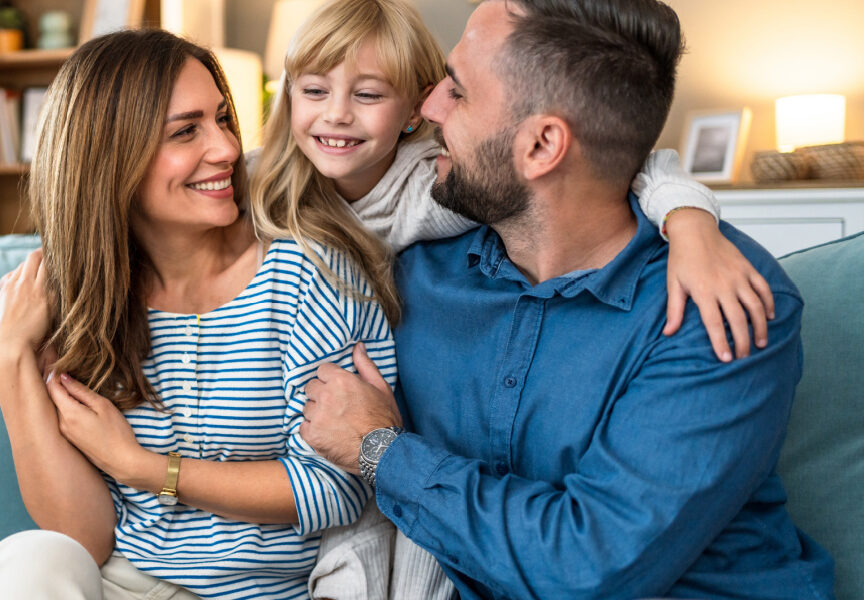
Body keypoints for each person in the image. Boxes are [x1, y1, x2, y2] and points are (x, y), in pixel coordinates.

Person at [301, 0, 836, 598]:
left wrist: (380, 452)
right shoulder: (416, 266)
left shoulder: (717, 304)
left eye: (459, 92)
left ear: (542, 146)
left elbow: (587, 569)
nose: (429, 108)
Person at [0, 29, 395, 600]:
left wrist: (142, 467)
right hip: (123, 581)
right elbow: (82, 537)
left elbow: (336, 490)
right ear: (110, 157)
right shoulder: (81, 297)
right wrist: (7, 359)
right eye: (186, 131)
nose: (226, 149)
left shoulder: (307, 275)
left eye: (222, 119)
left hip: (262, 592)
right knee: (29, 561)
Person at [251, 0, 775, 362]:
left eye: (367, 95)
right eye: (314, 91)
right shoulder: (261, 182)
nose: (336, 115)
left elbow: (630, 164)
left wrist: (690, 226)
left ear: (412, 110)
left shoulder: (440, 186)